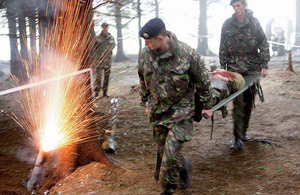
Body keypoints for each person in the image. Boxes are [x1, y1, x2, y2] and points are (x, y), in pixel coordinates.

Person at [138, 18, 213, 195]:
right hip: (158, 112)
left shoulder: (186, 54)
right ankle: (184, 165)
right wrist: (145, 102)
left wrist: (207, 105)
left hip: (182, 110)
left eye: (149, 40)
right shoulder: (145, 54)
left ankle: (168, 190)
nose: (146, 44)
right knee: (165, 151)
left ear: (161, 38)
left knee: (169, 155)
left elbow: (202, 80)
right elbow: (142, 79)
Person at [219, 0, 270, 150]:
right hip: (235, 71)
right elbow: (223, 48)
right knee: (238, 103)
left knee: (248, 103)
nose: (236, 9)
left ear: (245, 5)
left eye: (238, 6)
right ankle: (236, 138)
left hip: (253, 70)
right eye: (234, 6)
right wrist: (223, 70)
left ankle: (244, 132)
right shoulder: (227, 24)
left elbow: (263, 44)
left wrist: (264, 66)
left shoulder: (254, 23)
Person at [94, 22, 116, 97]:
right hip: (99, 60)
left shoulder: (111, 38)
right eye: (103, 27)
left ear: (108, 27)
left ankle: (105, 92)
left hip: (107, 61)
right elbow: (94, 47)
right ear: (102, 27)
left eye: (106, 27)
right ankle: (96, 92)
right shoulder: (97, 38)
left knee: (107, 77)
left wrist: (106, 52)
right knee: (98, 77)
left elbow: (113, 46)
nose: (105, 28)